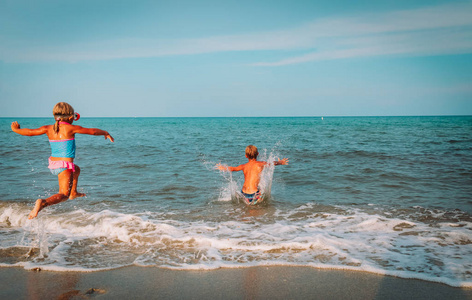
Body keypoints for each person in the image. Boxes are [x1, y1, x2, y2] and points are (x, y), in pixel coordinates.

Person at [11, 102, 114, 219]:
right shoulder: (71, 128)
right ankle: (43, 203)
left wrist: (16, 130)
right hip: (65, 166)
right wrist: (105, 133)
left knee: (77, 169)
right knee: (63, 194)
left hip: (54, 164)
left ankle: (74, 192)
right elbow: (92, 131)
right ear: (71, 117)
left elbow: (29, 132)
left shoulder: (48, 128)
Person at [216, 145, 288, 205]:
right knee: (260, 191)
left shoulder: (243, 166)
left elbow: (232, 169)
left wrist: (222, 167)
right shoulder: (260, 164)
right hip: (254, 194)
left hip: (244, 193)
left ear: (246, 156)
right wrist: (280, 162)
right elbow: (271, 163)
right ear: (257, 154)